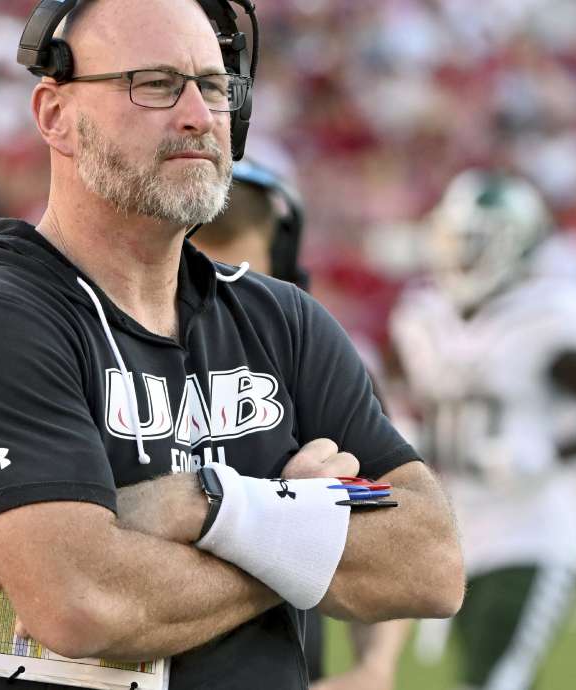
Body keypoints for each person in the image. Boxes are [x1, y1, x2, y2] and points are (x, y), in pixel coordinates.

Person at [0, 1, 465, 689]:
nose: (198, 115)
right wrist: (293, 528)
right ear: (54, 115)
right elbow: (82, 604)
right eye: (155, 84)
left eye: (215, 86)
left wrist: (208, 504)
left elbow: (432, 566)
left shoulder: (284, 321)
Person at [389, 170, 576, 690]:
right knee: (480, 676)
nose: (460, 255)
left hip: (532, 529)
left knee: (496, 679)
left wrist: (542, 455)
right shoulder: (422, 317)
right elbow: (409, 403)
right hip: (457, 529)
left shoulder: (548, 317)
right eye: (455, 240)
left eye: (475, 242)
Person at [190, 157, 413, 690]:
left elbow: (390, 521)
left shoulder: (317, 363)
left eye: (241, 282)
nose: (221, 306)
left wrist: (374, 669)